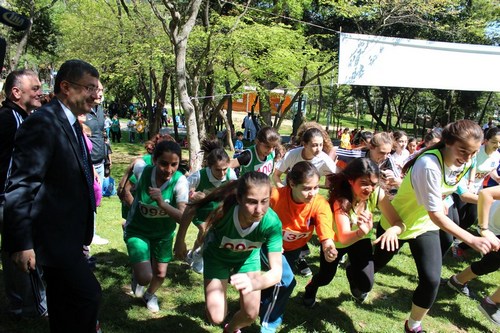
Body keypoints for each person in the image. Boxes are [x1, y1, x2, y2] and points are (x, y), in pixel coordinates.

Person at [2, 59, 102, 332]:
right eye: (89, 88)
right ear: (66, 87)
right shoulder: (43, 124)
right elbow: (21, 185)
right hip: (52, 239)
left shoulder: (70, 123)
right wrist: (21, 243)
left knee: (62, 304)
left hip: (69, 235)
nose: (96, 95)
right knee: (87, 295)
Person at [373, 120, 497, 333]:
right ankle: (356, 272)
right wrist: (472, 239)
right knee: (369, 270)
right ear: (447, 142)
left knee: (431, 280)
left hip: (424, 226)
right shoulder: (429, 164)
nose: (468, 158)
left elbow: (459, 191)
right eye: (463, 151)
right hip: (398, 223)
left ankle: (413, 325)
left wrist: (486, 202)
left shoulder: (464, 162)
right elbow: (437, 215)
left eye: (473, 152)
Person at [176, 171, 282, 333]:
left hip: (247, 260)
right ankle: (216, 309)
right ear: (239, 199)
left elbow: (276, 273)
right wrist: (180, 241)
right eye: (252, 202)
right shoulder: (222, 209)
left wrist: (254, 284)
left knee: (250, 315)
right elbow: (191, 209)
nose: (259, 210)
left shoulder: (272, 223)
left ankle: (230, 330)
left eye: (264, 201)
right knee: (216, 317)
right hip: (217, 258)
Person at [303, 157, 404, 307]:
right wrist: (361, 232)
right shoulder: (340, 200)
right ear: (351, 180)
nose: (369, 189)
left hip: (360, 240)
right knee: (325, 277)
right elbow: (343, 238)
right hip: (336, 243)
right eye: (364, 183)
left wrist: (393, 231)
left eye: (373, 184)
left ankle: (351, 269)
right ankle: (311, 287)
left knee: (366, 285)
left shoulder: (377, 193)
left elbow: (399, 223)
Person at [260, 161, 337, 332]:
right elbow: (253, 216)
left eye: (316, 187)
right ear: (292, 184)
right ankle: (268, 324)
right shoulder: (274, 197)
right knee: (286, 281)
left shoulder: (319, 203)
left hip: (293, 249)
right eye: (307, 188)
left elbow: (325, 227)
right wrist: (268, 240)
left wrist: (328, 245)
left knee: (276, 283)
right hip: (267, 245)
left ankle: (259, 305)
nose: (313, 193)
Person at [0, 69, 47, 318]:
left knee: (12, 252)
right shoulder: (8, 119)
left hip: (12, 198)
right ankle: (33, 306)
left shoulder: (24, 118)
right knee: (23, 249)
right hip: (10, 199)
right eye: (36, 88)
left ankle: (19, 303)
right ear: (16, 92)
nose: (41, 92)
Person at [124, 140, 189, 313]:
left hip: (164, 234)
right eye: (164, 164)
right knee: (145, 276)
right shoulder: (143, 171)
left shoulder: (180, 181)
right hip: (137, 230)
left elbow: (182, 217)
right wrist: (125, 190)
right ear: (154, 160)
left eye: (174, 164)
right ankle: (138, 275)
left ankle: (150, 295)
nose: (169, 170)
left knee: (160, 274)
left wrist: (162, 203)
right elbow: (134, 164)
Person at [180, 139, 238, 274]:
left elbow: (236, 194)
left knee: (207, 235)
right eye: (218, 170)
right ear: (209, 166)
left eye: (225, 169)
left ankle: (193, 254)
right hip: (199, 211)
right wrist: (192, 195)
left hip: (218, 212)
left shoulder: (230, 175)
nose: (222, 173)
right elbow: (182, 191)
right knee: (205, 231)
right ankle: (198, 257)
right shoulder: (199, 176)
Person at [447, 185, 500, 305]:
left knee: (492, 262)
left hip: (495, 226)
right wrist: (484, 229)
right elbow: (486, 193)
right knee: (493, 261)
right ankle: (493, 304)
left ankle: (457, 281)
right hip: (493, 226)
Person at [84, 80, 108, 246]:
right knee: (88, 199)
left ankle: (92, 232)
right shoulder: (83, 110)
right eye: (96, 89)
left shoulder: (99, 110)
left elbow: (102, 135)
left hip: (100, 160)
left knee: (96, 199)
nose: (99, 93)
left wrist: (108, 159)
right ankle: (87, 235)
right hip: (88, 163)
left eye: (101, 90)